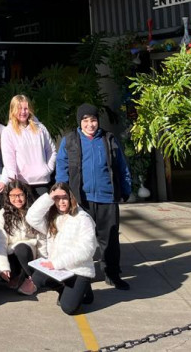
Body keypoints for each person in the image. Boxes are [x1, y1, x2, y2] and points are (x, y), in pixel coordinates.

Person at [56, 103, 132, 290]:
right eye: (86, 121)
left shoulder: (109, 139)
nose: (90, 124)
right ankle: (82, 277)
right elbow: (62, 169)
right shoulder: (70, 140)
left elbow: (122, 167)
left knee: (110, 240)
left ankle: (112, 274)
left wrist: (126, 188)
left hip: (107, 197)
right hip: (81, 200)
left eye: (93, 120)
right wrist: (63, 194)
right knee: (81, 240)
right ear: (80, 122)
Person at [26, 182, 98, 315]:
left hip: (78, 270)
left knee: (68, 308)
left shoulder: (83, 219)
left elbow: (87, 250)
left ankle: (83, 289)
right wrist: (49, 196)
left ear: (71, 197)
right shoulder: (52, 218)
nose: (61, 202)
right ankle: (75, 290)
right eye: (57, 199)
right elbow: (31, 217)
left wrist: (56, 263)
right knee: (38, 279)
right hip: (60, 269)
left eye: (64, 197)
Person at [0, 95, 56, 198]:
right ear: (13, 110)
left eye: (26, 108)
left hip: (42, 181)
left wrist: (48, 169)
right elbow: (9, 157)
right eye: (19, 109)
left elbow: (51, 150)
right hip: (22, 183)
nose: (23, 112)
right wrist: (13, 179)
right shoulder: (8, 132)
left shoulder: (40, 128)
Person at [0, 180, 43, 296]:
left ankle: (32, 278)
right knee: (13, 252)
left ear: (26, 195)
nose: (18, 199)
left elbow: (42, 238)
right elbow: (0, 242)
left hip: (29, 253)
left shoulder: (33, 212)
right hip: (12, 255)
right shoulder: (2, 214)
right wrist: (3, 267)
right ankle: (19, 276)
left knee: (21, 248)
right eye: (13, 196)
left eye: (20, 195)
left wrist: (43, 262)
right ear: (8, 196)